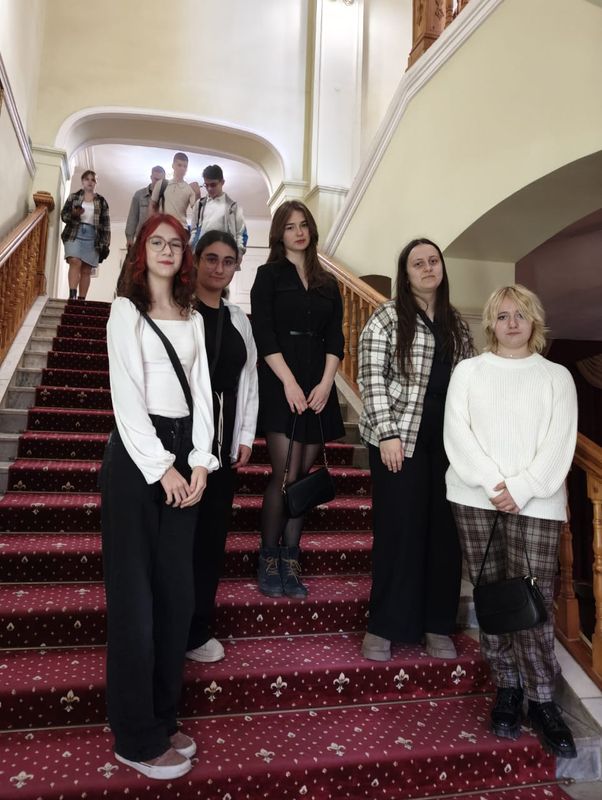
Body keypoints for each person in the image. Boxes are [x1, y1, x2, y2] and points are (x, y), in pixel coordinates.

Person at [100, 214, 218, 780]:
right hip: (136, 458)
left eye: (175, 243)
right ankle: (135, 737)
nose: (167, 250)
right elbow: (126, 394)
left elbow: (203, 394)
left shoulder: (192, 317)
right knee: (136, 602)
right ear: (141, 251)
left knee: (176, 596)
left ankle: (163, 716)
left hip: (182, 453)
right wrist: (161, 466)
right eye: (157, 242)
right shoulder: (125, 311)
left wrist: (200, 460)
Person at [443, 284, 578, 758]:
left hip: (537, 502)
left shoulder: (556, 376)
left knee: (535, 602)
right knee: (495, 598)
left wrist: (521, 488)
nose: (512, 323)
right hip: (474, 497)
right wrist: (491, 483)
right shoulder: (469, 371)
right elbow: (457, 432)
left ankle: (542, 699)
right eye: (502, 316)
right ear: (491, 324)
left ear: (534, 320)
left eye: (520, 314)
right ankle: (507, 687)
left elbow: (560, 441)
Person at [357, 238, 474, 662]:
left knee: (444, 535)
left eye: (433, 261)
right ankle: (385, 626)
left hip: (448, 443)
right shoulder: (387, 317)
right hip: (399, 439)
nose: (427, 268)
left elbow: (470, 380)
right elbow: (371, 377)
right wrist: (387, 434)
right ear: (405, 275)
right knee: (400, 531)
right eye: (417, 263)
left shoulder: (456, 324)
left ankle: (437, 625)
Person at [250, 200, 344, 599]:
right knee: (285, 473)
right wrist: (288, 382)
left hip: (318, 383)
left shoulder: (328, 282)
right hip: (280, 382)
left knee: (303, 477)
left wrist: (326, 383)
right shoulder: (268, 275)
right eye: (290, 227)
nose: (299, 232)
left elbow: (336, 337)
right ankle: (268, 559)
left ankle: (291, 559)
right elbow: (264, 332)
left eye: (303, 225)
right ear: (280, 234)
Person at [185, 231, 258, 664]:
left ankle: (196, 630)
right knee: (178, 540)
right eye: (211, 258)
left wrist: (245, 435)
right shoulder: (179, 309)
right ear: (196, 261)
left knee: (211, 540)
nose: (218, 268)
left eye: (228, 261)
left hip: (223, 442)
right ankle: (167, 624)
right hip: (180, 444)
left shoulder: (238, 319)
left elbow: (249, 379)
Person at [60, 170, 111, 300]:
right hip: (74, 233)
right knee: (75, 261)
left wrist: (105, 243)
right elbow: (64, 216)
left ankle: (81, 300)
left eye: (93, 180)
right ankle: (72, 296)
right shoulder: (73, 197)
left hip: (93, 236)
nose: (90, 182)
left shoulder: (101, 201)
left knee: (86, 269)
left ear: (96, 183)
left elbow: (106, 224)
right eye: (87, 179)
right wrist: (74, 214)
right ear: (82, 181)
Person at [190, 164, 248, 258]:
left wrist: (239, 254)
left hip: (224, 254)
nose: (209, 188)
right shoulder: (199, 204)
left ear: (222, 182)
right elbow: (194, 231)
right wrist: (192, 250)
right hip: (201, 254)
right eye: (206, 185)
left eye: (213, 185)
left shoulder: (233, 207)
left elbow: (240, 234)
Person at [149, 152, 200, 228]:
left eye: (185, 166)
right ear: (173, 165)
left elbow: (197, 211)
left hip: (181, 228)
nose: (182, 169)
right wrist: (151, 225)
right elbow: (152, 205)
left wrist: (198, 194)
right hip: (162, 226)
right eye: (179, 165)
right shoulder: (161, 184)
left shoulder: (189, 189)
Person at [125, 165, 166, 247]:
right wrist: (129, 238)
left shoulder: (167, 196)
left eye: (160, 180)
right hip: (142, 238)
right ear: (151, 177)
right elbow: (133, 217)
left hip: (162, 238)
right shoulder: (139, 195)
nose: (158, 183)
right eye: (156, 179)